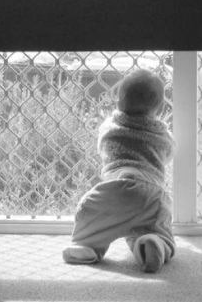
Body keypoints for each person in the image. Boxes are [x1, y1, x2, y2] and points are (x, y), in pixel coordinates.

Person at [63, 69, 175, 273]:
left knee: (91, 213)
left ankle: (86, 245)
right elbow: (168, 154)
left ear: (119, 99)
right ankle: (154, 242)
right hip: (151, 194)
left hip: (116, 187)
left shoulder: (110, 128)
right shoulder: (161, 134)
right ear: (158, 108)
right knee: (153, 227)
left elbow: (102, 147)